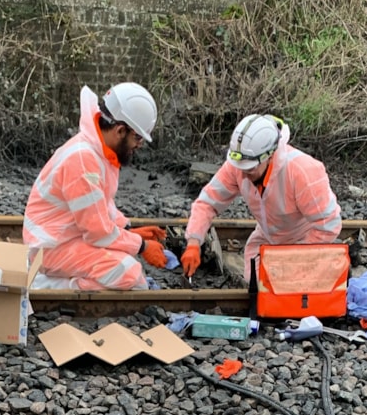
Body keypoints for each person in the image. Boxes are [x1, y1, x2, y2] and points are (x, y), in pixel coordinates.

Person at [23, 82, 168, 291]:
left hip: (64, 239)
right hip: (52, 248)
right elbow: (98, 233)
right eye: (137, 137)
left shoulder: (99, 151)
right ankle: (48, 285)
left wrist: (128, 229)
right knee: (130, 275)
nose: (138, 145)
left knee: (126, 262)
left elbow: (102, 205)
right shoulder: (83, 160)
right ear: (120, 130)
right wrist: (142, 246)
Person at [181, 114, 342, 282]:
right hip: (266, 240)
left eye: (250, 169)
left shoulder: (302, 171)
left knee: (291, 295)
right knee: (257, 290)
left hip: (304, 243)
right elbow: (207, 203)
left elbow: (329, 225)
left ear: (269, 156)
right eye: (240, 167)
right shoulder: (238, 166)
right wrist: (193, 242)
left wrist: (294, 259)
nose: (243, 174)